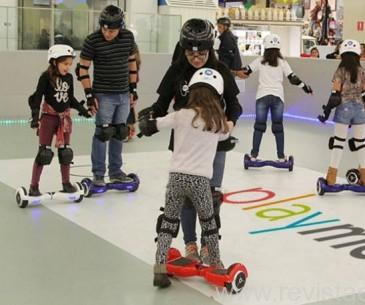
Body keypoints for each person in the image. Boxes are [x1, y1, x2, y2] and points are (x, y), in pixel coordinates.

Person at [143, 19, 242, 262]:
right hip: (184, 141)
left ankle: (210, 246)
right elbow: (161, 104)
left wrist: (228, 126)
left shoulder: (221, 71)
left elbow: (236, 106)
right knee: (186, 197)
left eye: (202, 54)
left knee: (210, 196)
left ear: (210, 49)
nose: (196, 58)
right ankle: (190, 244)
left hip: (213, 141)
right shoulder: (177, 69)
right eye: (190, 53)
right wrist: (147, 120)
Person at [139, 68, 230, 288]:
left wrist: (144, 122)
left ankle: (159, 270)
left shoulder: (180, 115)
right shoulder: (217, 121)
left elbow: (154, 125)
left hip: (177, 178)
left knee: (168, 223)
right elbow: (227, 136)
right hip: (200, 181)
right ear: (217, 95)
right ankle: (216, 265)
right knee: (208, 224)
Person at [77, 5, 138, 186]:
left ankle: (116, 172)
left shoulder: (127, 37)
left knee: (119, 132)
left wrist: (133, 88)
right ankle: (98, 174)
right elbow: (82, 69)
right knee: (103, 133)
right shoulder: (92, 40)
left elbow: (132, 62)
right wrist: (89, 95)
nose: (107, 33)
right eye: (104, 29)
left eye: (112, 30)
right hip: (103, 95)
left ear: (120, 27)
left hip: (124, 94)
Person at [236, 34, 313, 162]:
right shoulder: (283, 62)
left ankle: (254, 156)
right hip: (278, 97)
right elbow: (293, 79)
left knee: (259, 126)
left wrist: (234, 71)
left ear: (265, 46)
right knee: (278, 127)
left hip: (262, 96)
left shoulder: (260, 60)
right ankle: (281, 157)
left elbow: (246, 71)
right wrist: (305, 87)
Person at [27, 44, 91, 196]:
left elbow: (70, 99)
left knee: (65, 152)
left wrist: (83, 110)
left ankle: (66, 183)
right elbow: (37, 98)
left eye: (70, 64)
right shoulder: (45, 77)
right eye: (65, 64)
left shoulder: (69, 78)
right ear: (55, 62)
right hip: (49, 118)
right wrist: (35, 118)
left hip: (64, 119)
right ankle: (34, 186)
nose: (68, 67)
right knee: (44, 153)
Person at [317, 39, 365, 187]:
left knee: (338, 143)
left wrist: (325, 113)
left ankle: (331, 178)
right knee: (361, 144)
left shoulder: (340, 71)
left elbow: (335, 96)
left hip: (343, 108)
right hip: (359, 109)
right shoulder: (363, 71)